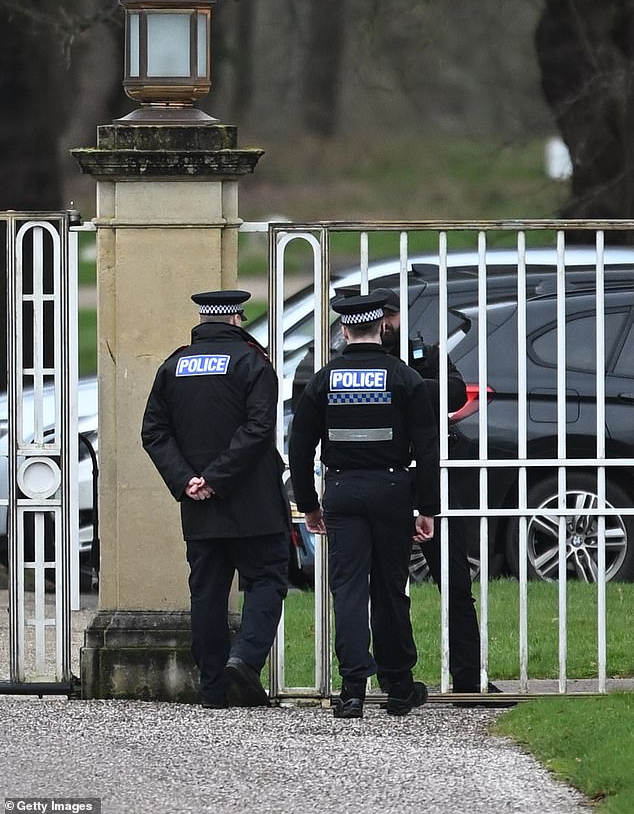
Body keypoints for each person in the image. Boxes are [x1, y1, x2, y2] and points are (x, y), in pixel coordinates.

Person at [289, 292, 440, 719]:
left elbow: (299, 448)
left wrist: (309, 504)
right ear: (382, 329)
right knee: (391, 588)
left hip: (342, 492)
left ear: (343, 330)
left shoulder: (325, 379)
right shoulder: (405, 378)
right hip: (393, 491)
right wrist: (426, 507)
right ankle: (399, 686)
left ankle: (353, 689)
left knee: (349, 589)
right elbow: (428, 451)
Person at [141, 289, 290, 709]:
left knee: (206, 593)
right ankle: (243, 660)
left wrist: (189, 480)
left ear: (203, 320)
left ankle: (212, 690)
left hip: (199, 506)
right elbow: (259, 429)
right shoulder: (252, 363)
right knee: (266, 580)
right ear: (237, 318)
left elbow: (153, 431)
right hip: (252, 503)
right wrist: (217, 477)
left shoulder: (174, 365)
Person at [373, 286, 504, 700]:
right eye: (379, 318)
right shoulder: (357, 364)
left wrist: (406, 385)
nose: (385, 325)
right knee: (389, 585)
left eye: (390, 317)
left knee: (455, 584)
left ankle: (468, 679)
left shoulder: (423, 354)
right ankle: (394, 679)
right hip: (385, 482)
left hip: (435, 480)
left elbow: (452, 391)